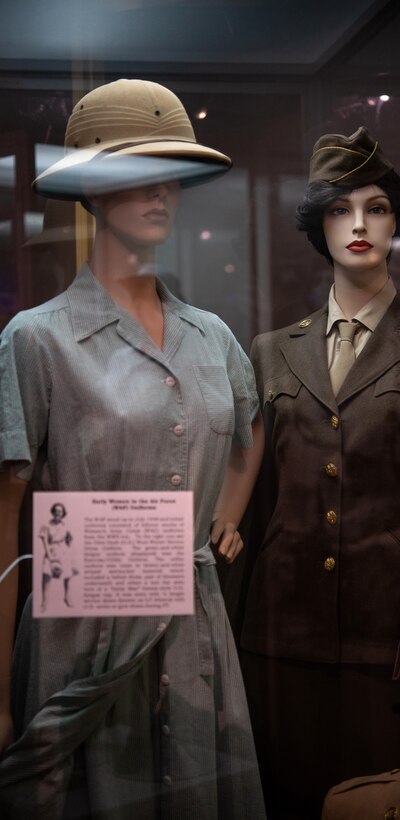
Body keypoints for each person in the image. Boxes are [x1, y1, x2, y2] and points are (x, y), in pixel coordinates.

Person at [0, 79, 265, 819]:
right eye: (134, 177)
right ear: (91, 191)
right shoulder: (37, 338)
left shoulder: (211, 335)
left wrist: (226, 514)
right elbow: (4, 521)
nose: (159, 196)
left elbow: (249, 423)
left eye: (168, 178)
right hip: (81, 634)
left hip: (193, 632)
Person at [239, 126, 400, 819]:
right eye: (337, 209)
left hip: (392, 637)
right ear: (316, 226)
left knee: (381, 804)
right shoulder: (269, 352)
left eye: (376, 207)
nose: (357, 224)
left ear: (395, 222)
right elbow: (247, 503)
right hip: (277, 634)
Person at [39, 502, 77, 611]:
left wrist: (69, 542)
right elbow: (45, 542)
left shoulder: (65, 525)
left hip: (63, 551)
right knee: (46, 576)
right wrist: (50, 556)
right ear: (52, 512)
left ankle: (67, 597)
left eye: (60, 511)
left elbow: (69, 539)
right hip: (51, 551)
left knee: (67, 576)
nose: (57, 513)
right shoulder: (46, 525)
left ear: (63, 513)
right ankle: (44, 602)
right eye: (56, 511)